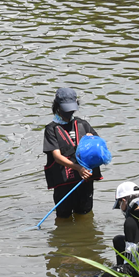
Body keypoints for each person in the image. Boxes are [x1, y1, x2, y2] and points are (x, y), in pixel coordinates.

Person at [42, 87, 102, 218]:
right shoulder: (51, 129)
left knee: (85, 215)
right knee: (63, 218)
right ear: (57, 107)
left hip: (84, 181)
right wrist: (78, 168)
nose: (69, 112)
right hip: (64, 184)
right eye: (66, 109)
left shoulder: (83, 125)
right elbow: (57, 157)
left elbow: (98, 146)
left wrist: (91, 142)